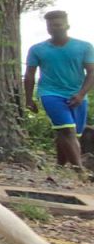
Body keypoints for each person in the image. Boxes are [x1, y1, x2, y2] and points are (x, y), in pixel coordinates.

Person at [24, 10, 94, 167]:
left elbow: (91, 72)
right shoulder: (37, 49)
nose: (54, 28)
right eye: (50, 25)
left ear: (67, 25)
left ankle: (59, 165)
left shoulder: (84, 47)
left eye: (58, 25)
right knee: (67, 130)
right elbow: (29, 75)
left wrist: (81, 94)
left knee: (70, 133)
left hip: (77, 93)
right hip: (50, 93)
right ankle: (79, 170)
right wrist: (29, 99)